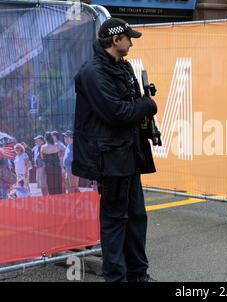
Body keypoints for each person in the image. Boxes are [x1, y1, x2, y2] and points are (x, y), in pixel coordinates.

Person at [73, 18, 157, 282]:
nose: (131, 42)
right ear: (115, 40)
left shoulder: (122, 66)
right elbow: (117, 113)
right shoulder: (93, 72)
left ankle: (138, 274)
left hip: (128, 153)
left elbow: (129, 106)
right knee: (115, 220)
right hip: (109, 158)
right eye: (128, 38)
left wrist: (143, 113)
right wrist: (147, 105)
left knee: (136, 217)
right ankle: (116, 278)